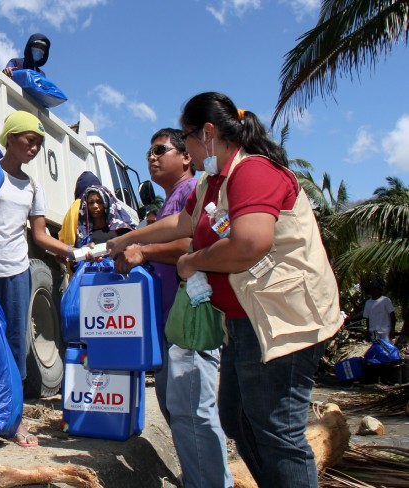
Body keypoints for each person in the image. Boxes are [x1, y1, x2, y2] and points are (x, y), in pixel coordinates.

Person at [107, 92, 342, 487]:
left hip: (280, 322)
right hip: (241, 322)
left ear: (209, 133)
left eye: (188, 139)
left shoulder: (252, 172)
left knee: (277, 432)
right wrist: (124, 240)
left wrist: (191, 262)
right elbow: (180, 225)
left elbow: (250, 243)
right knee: (236, 417)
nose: (189, 151)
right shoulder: (213, 183)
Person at [113, 128, 232, 487]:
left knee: (193, 413)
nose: (151, 156)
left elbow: (188, 243)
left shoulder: (189, 191)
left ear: (185, 157)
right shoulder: (172, 198)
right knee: (178, 410)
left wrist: (142, 251)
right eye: (149, 150)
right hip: (172, 324)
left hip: (190, 322)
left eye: (160, 149)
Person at [0, 110, 78, 447]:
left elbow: (39, 235)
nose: (35, 148)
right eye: (29, 140)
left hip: (16, 271)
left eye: (39, 143)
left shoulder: (32, 186)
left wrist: (72, 251)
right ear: (10, 138)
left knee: (15, 345)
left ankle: (13, 420)